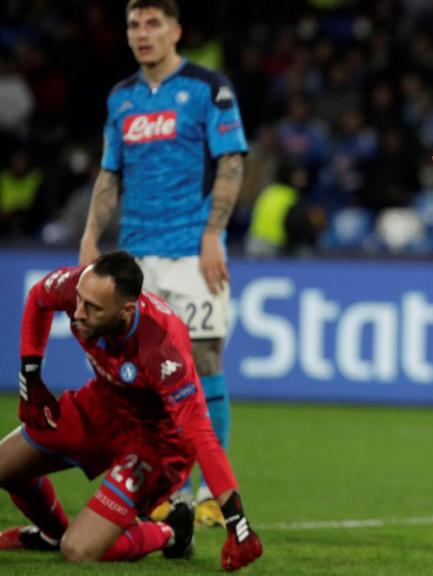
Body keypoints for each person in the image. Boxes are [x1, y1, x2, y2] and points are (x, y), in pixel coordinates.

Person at [78, 0, 246, 526]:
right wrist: (89, 238)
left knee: (204, 363)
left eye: (153, 24)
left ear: (175, 30)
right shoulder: (122, 98)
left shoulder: (207, 88)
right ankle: (162, 491)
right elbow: (110, 175)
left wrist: (213, 234)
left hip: (191, 253)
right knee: (135, 381)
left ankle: (209, 496)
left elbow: (231, 161)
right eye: (134, 24)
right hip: (134, 257)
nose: (143, 33)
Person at [0, 251, 262, 570]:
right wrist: (31, 375)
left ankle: (171, 532)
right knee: (5, 465)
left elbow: (200, 434)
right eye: (79, 301)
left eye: (92, 308)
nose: (77, 313)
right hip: (103, 405)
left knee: (79, 550)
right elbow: (38, 298)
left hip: (153, 444)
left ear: (126, 310)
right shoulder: (82, 288)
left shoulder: (163, 346)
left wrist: (237, 521)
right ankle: (50, 534)